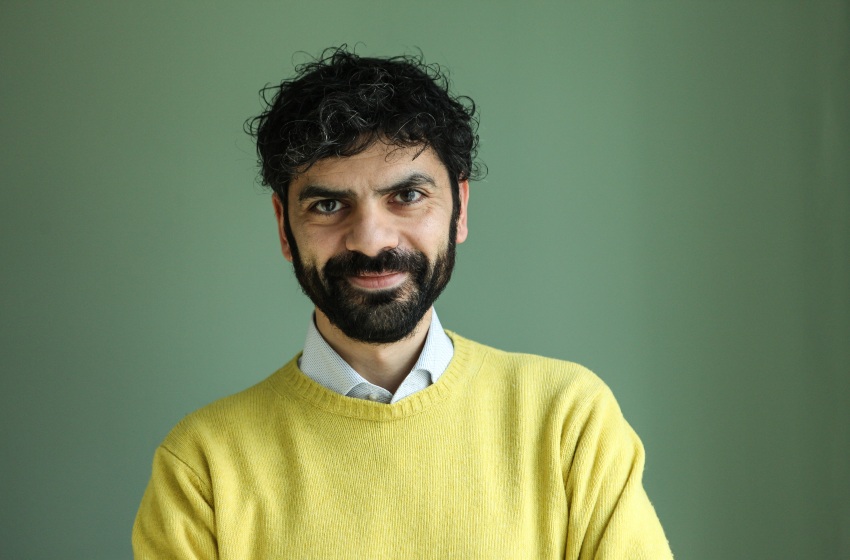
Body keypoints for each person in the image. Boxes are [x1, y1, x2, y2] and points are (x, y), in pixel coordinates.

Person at [132, 47, 673, 559]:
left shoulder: (567, 420)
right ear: (284, 226)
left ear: (460, 209)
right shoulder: (201, 465)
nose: (370, 241)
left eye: (407, 196)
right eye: (328, 205)